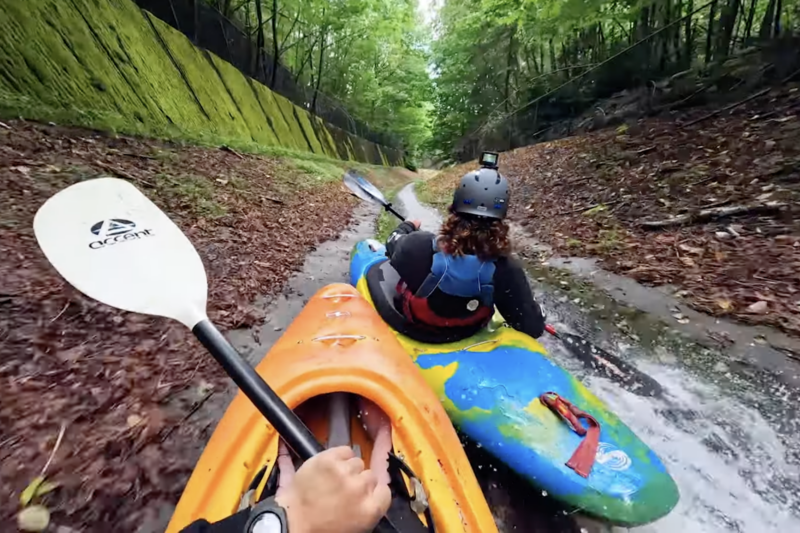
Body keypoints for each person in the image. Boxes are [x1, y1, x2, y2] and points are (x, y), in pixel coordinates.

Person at [383, 166, 545, 342]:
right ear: (501, 216)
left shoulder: (417, 245)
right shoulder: (506, 268)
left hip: (416, 328)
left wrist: (407, 226)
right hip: (467, 334)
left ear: (455, 206)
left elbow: (391, 242)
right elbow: (532, 328)